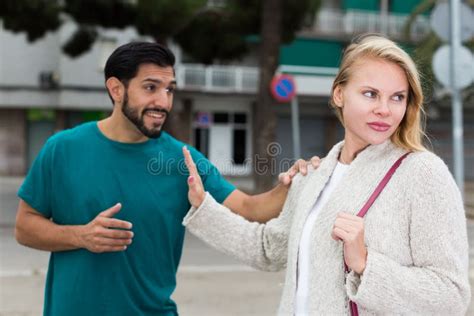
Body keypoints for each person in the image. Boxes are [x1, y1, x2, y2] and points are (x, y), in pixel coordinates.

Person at [14, 41, 319, 315]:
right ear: (116, 89)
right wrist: (80, 236)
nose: (164, 101)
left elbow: (251, 208)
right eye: (150, 88)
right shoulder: (62, 149)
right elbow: (25, 227)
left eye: (169, 89)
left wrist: (296, 182)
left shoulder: (180, 160)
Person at [182, 34, 471, 315]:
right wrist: (204, 208)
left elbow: (452, 295)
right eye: (370, 94)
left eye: (397, 97)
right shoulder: (314, 174)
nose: (384, 109)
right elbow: (268, 248)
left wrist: (367, 265)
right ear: (339, 94)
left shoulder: (422, 173)